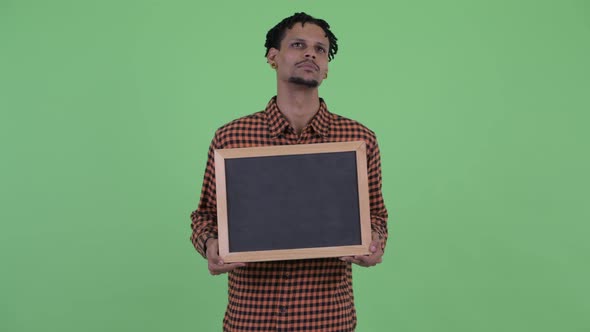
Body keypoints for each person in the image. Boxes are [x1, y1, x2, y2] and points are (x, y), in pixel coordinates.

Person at [190, 12, 388, 332]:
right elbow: (204, 216)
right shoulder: (232, 137)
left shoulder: (357, 139)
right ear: (273, 57)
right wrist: (210, 245)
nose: (311, 53)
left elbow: (376, 215)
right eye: (298, 45)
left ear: (326, 67)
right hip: (250, 319)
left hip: (327, 320)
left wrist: (375, 243)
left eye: (320, 50)